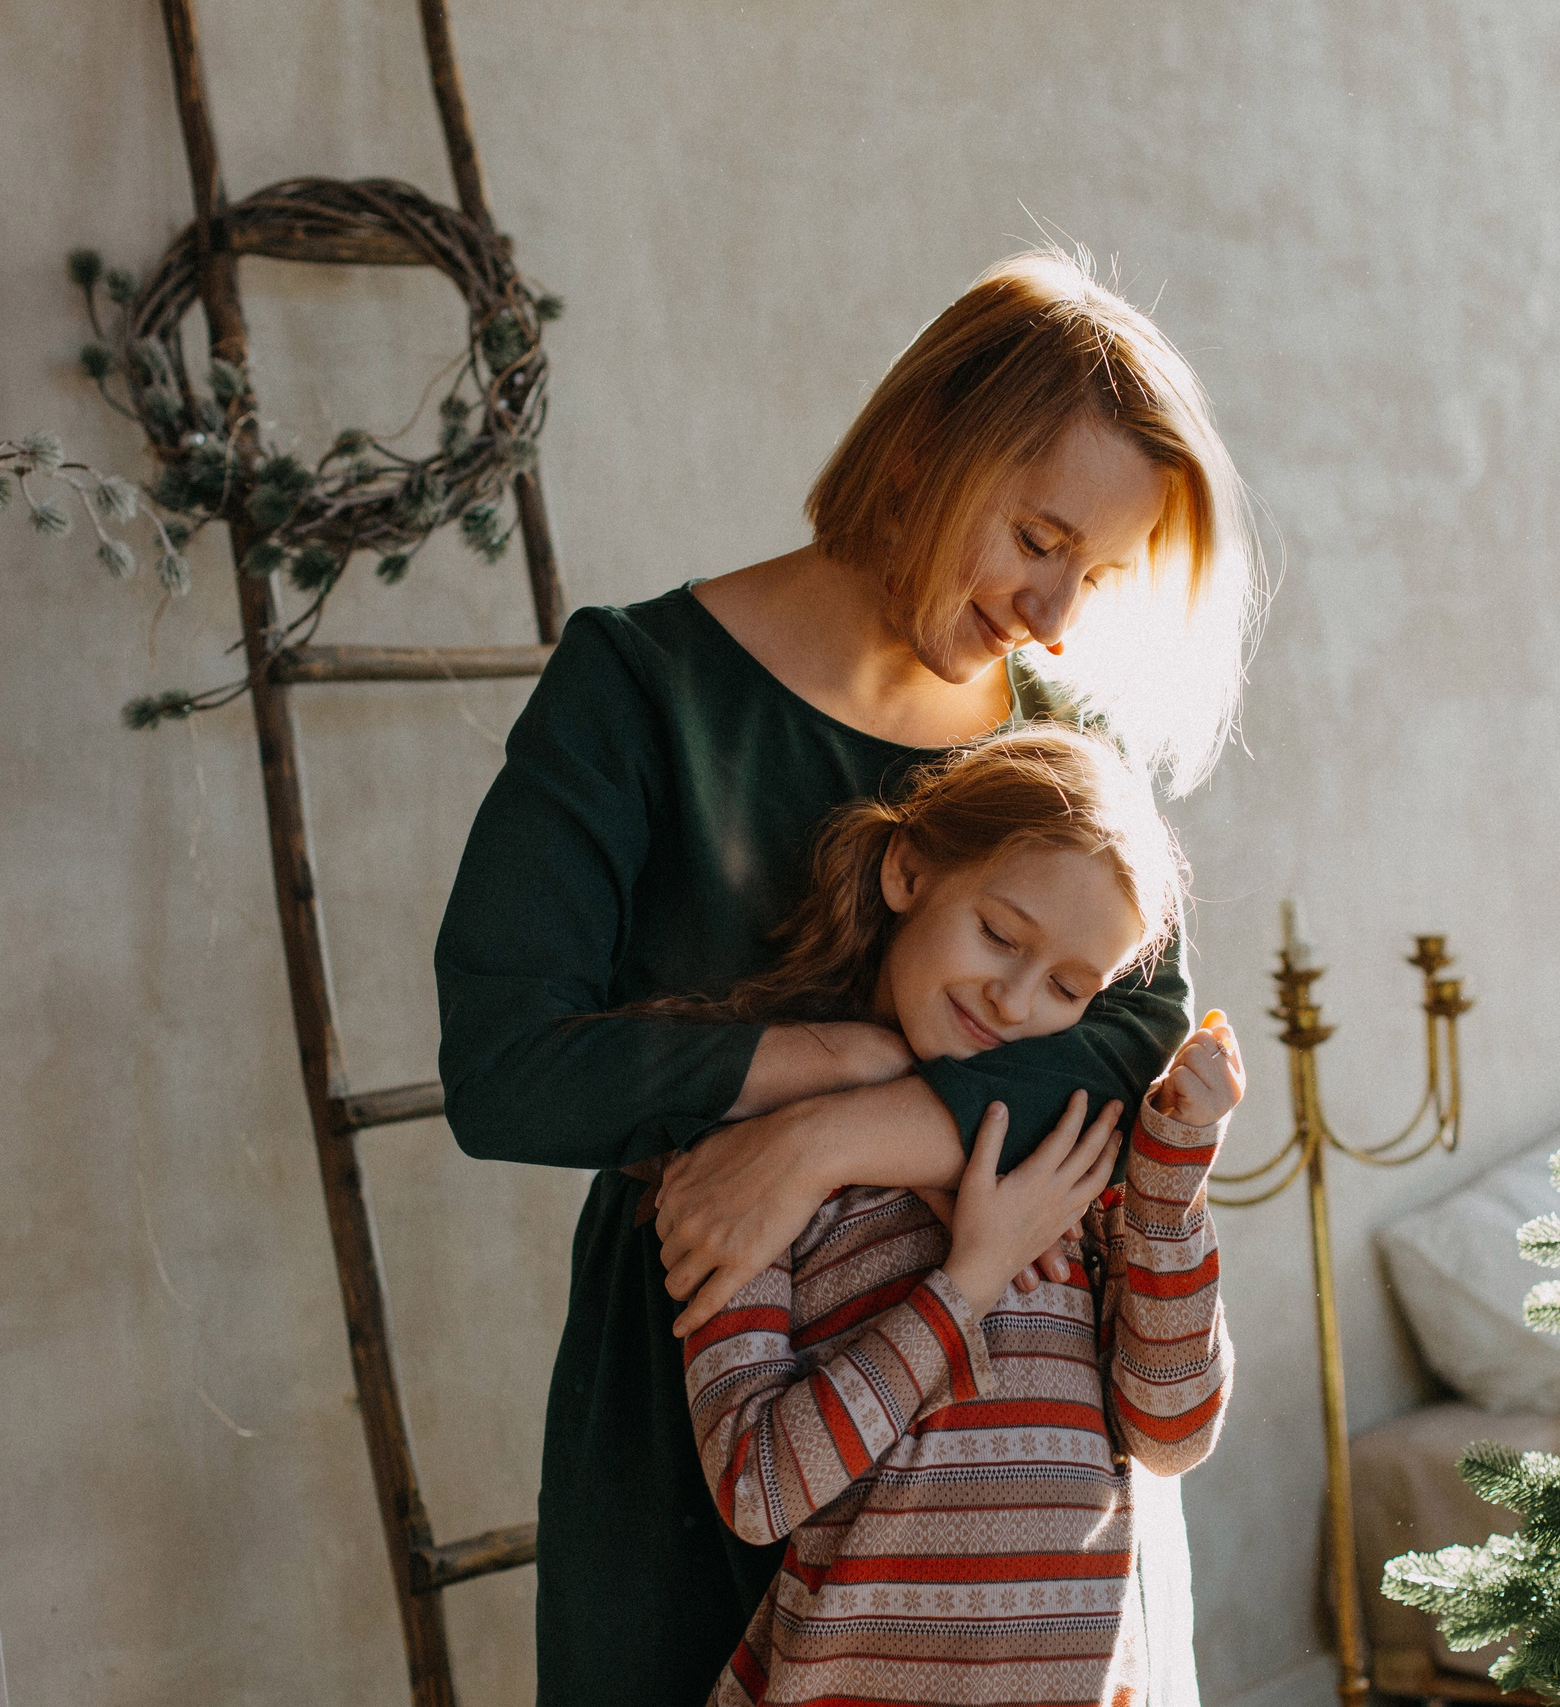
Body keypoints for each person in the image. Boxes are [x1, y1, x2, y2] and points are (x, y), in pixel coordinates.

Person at [434, 248, 1256, 1706]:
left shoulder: (1063, 749)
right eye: (1037, 535)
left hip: (1007, 1500)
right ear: (927, 440)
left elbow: (1137, 1043)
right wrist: (825, 1062)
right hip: (701, 1414)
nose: (1055, 611)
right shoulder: (636, 690)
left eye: (1095, 571)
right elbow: (506, 1067)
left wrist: (836, 1139)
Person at [664, 727, 1240, 1707]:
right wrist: (968, 1281)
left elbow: (1172, 1433)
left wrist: (1171, 1177)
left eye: (1067, 986)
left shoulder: (1072, 1152)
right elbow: (759, 1489)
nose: (1014, 999)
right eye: (999, 936)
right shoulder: (768, 1159)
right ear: (908, 871)